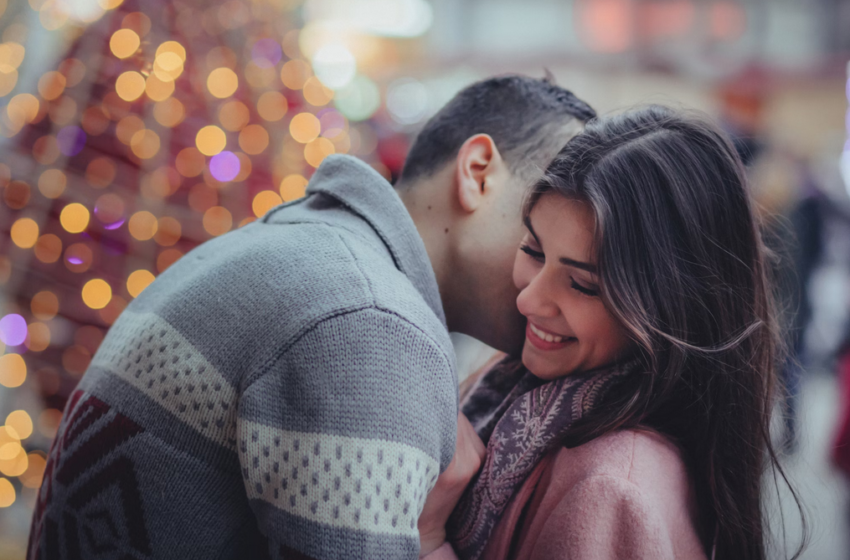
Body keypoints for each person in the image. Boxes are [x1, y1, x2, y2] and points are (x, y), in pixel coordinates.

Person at [26, 75, 595, 560]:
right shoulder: (369, 320)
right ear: (477, 172)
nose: (563, 272)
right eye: (543, 223)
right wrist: (427, 538)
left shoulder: (300, 248)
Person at [423, 105, 804, 560]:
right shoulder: (528, 392)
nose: (528, 301)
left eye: (583, 285)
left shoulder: (611, 487)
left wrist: (429, 540)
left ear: (671, 307)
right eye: (533, 250)